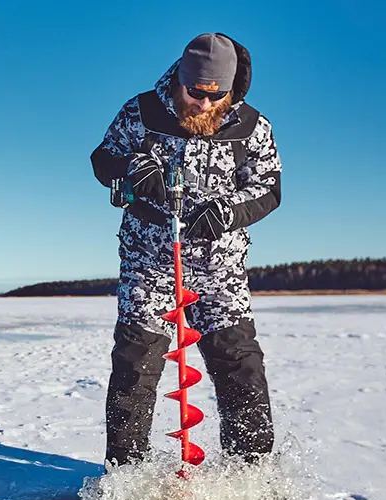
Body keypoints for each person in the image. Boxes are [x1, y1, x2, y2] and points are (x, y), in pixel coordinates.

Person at [90, 33, 282, 469]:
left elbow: (269, 189)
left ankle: (252, 480)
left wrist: (227, 213)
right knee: (134, 370)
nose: (203, 105)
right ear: (179, 78)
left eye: (216, 97)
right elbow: (103, 159)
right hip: (150, 263)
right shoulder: (141, 111)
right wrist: (134, 168)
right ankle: (126, 481)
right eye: (195, 93)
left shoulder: (253, 126)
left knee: (242, 369)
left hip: (221, 271)